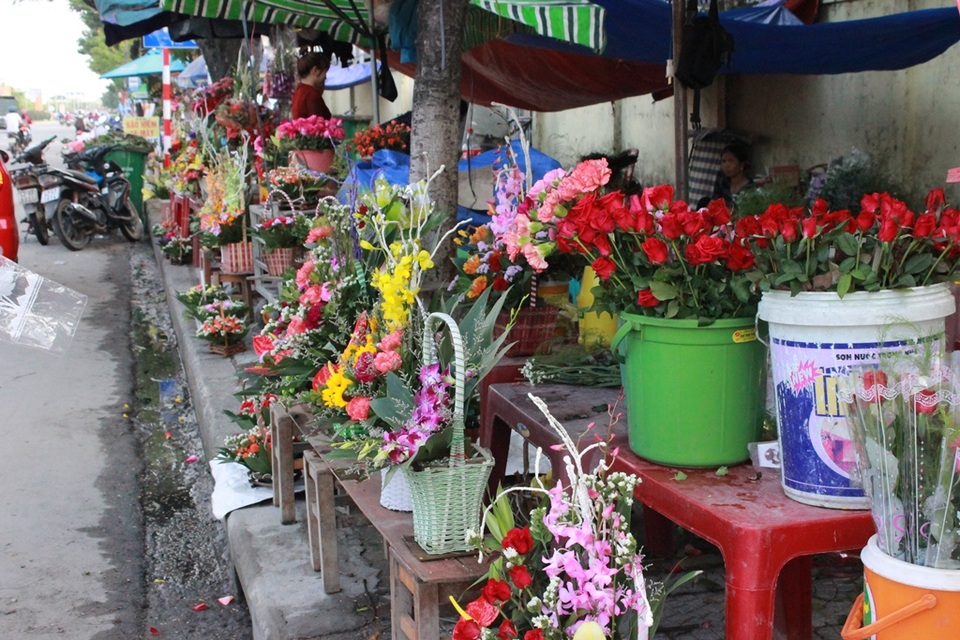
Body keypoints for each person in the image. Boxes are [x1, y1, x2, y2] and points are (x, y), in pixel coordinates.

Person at [711, 142, 755, 207]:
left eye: (731, 161)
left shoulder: (750, 187)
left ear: (742, 165)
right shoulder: (723, 181)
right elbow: (713, 202)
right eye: (724, 161)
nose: (726, 165)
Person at [291, 52, 332, 120]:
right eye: (325, 73)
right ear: (315, 70)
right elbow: (318, 124)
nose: (325, 77)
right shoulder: (312, 94)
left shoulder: (298, 91)